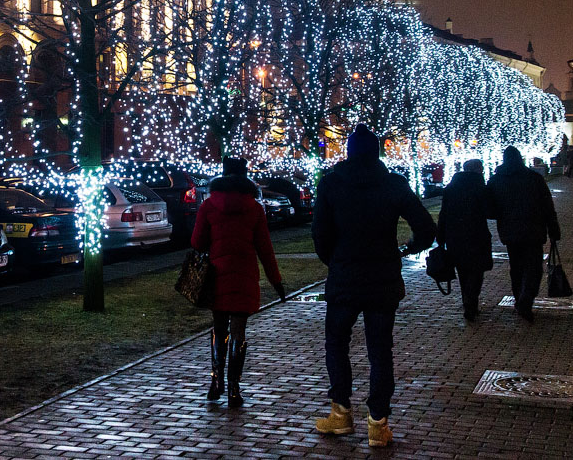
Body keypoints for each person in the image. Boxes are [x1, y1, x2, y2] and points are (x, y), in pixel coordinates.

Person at [312, 125, 435, 447]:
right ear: (377, 152)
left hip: (345, 277)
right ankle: (378, 423)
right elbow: (425, 227)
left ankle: (340, 413)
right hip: (383, 278)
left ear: (349, 152)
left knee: (336, 344)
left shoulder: (331, 184)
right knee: (380, 350)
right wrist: (407, 249)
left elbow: (320, 236)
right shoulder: (393, 184)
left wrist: (336, 260)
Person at [189, 157, 284, 408]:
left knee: (219, 328)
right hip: (244, 275)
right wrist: (276, 281)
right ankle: (234, 388)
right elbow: (265, 249)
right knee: (238, 332)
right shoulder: (254, 208)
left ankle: (216, 380)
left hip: (216, 275)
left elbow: (197, 242)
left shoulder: (209, 206)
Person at [487, 146, 561, 322]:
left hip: (510, 232)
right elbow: (547, 206)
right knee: (533, 268)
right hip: (533, 230)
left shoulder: (497, 180)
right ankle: (525, 300)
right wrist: (553, 229)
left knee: (517, 267)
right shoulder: (534, 179)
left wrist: (503, 214)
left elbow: (489, 209)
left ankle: (520, 298)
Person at [436, 159, 494, 322]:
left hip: (455, 237)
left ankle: (468, 302)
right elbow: (489, 210)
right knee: (476, 271)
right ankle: (471, 302)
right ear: (477, 170)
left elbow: (444, 213)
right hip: (477, 235)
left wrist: (440, 236)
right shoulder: (481, 187)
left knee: (463, 271)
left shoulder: (451, 188)